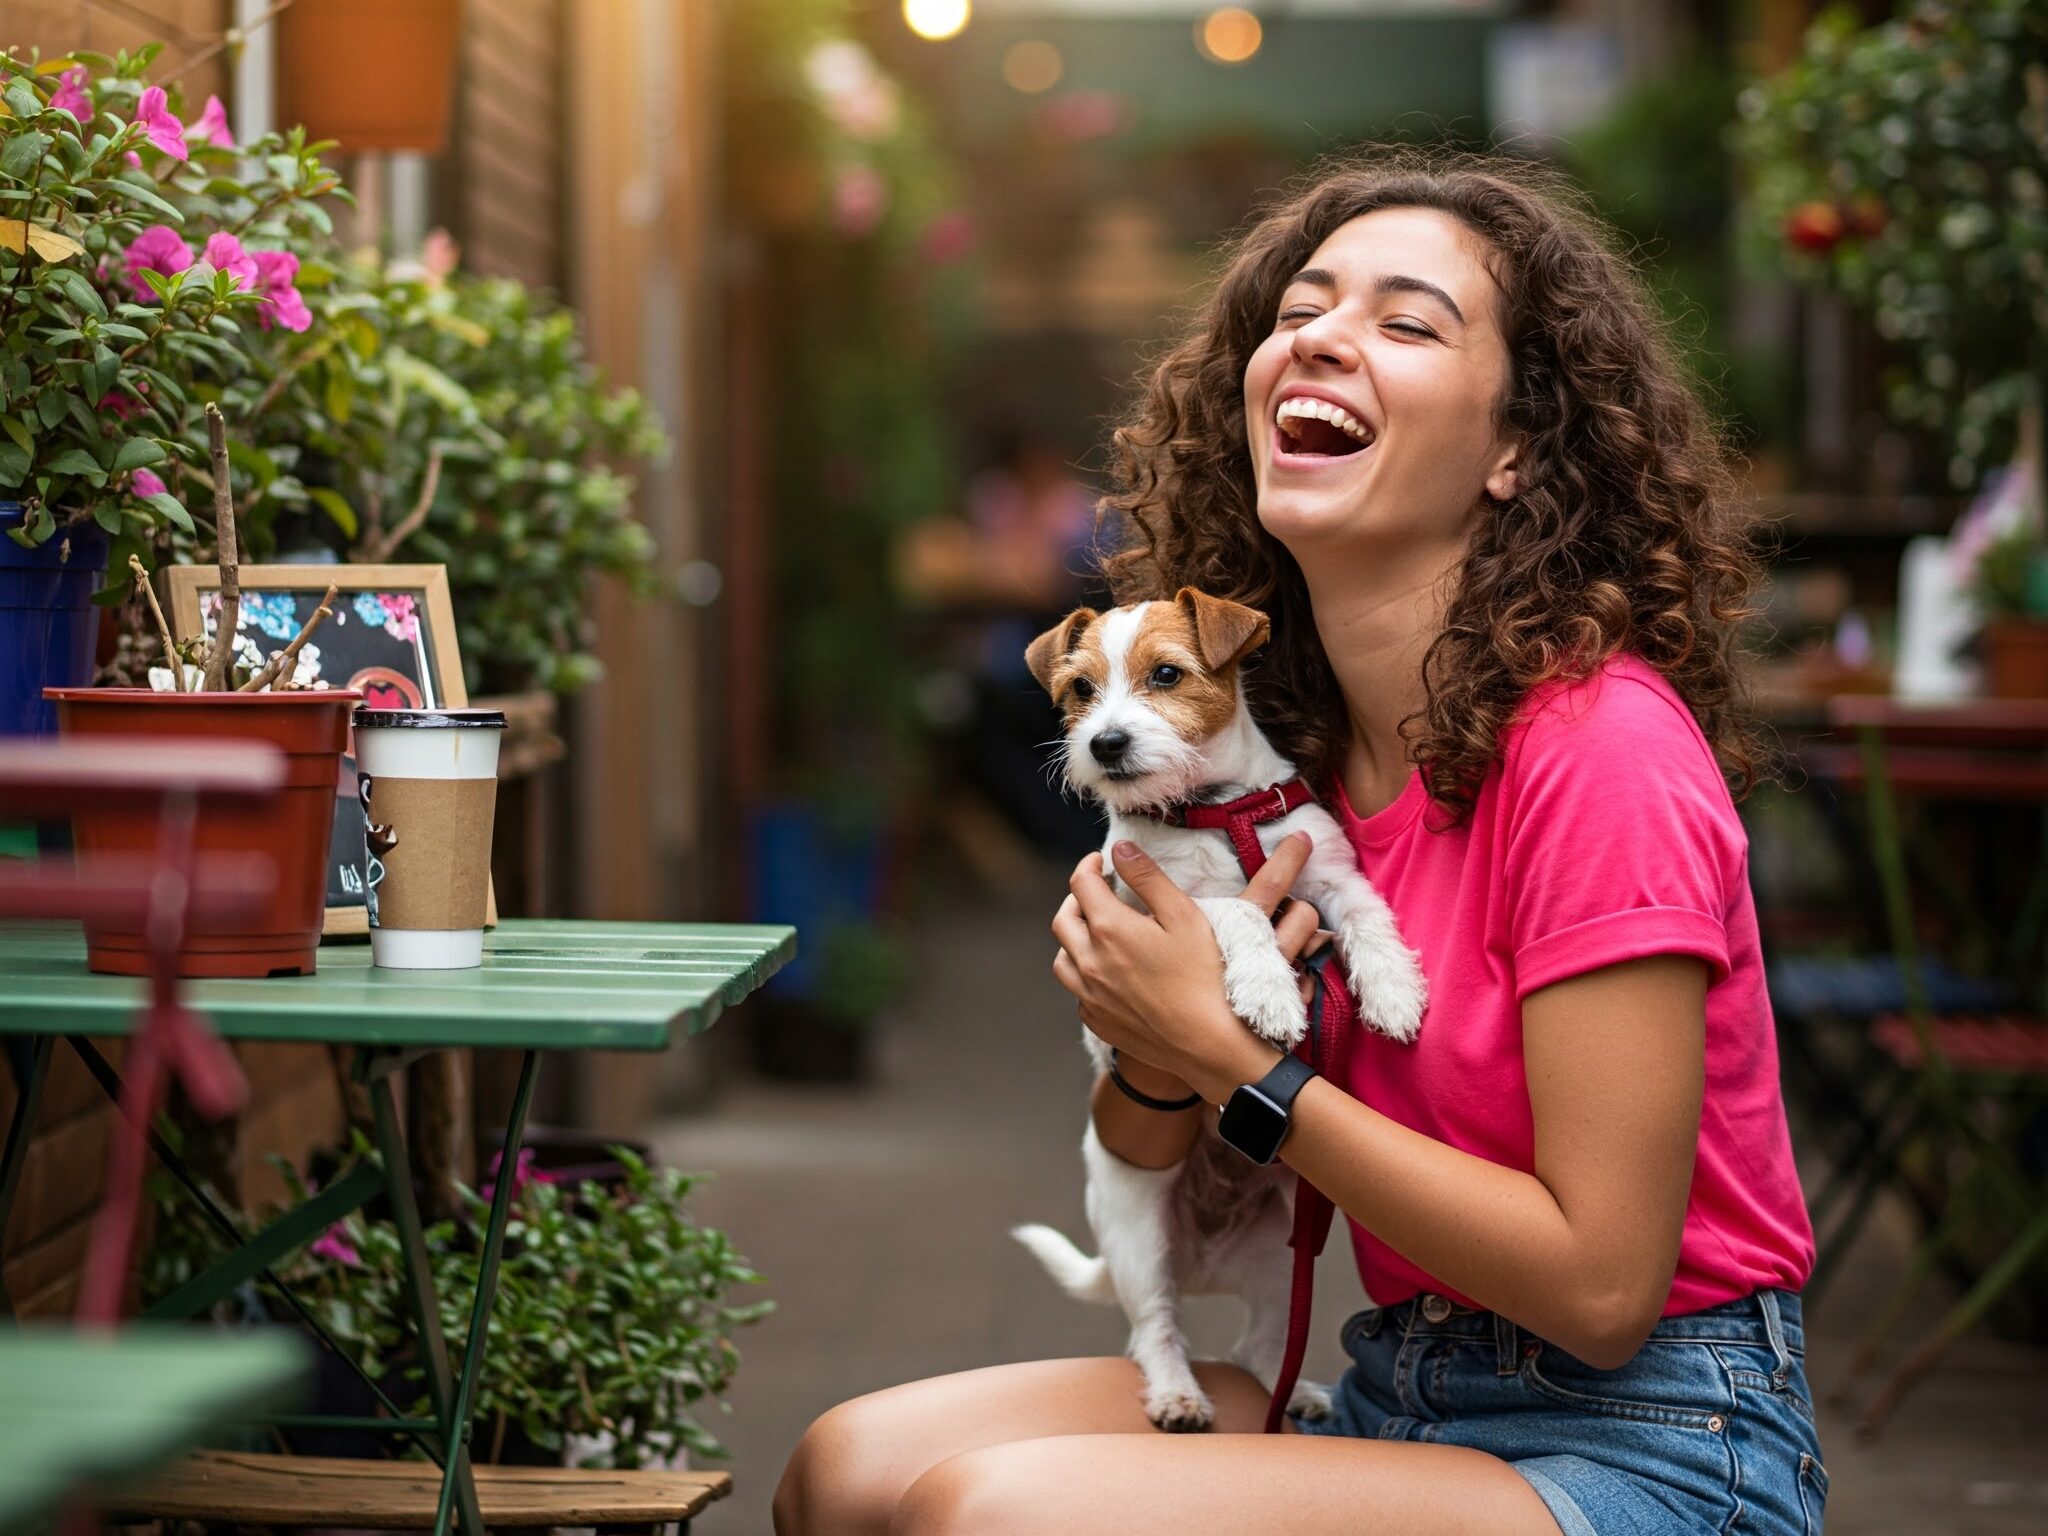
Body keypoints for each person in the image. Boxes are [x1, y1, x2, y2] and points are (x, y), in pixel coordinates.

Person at [775, 147, 1823, 1536]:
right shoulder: (1285, 768)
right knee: (847, 1472)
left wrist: (1232, 1058)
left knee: (997, 1518)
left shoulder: (1593, 751)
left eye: (1405, 321)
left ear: (1520, 449)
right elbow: (1145, 1153)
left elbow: (1601, 1286)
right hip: (1406, 1378)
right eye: (1301, 309)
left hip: (1659, 1440)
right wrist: (1154, 1048)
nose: (1321, 335)